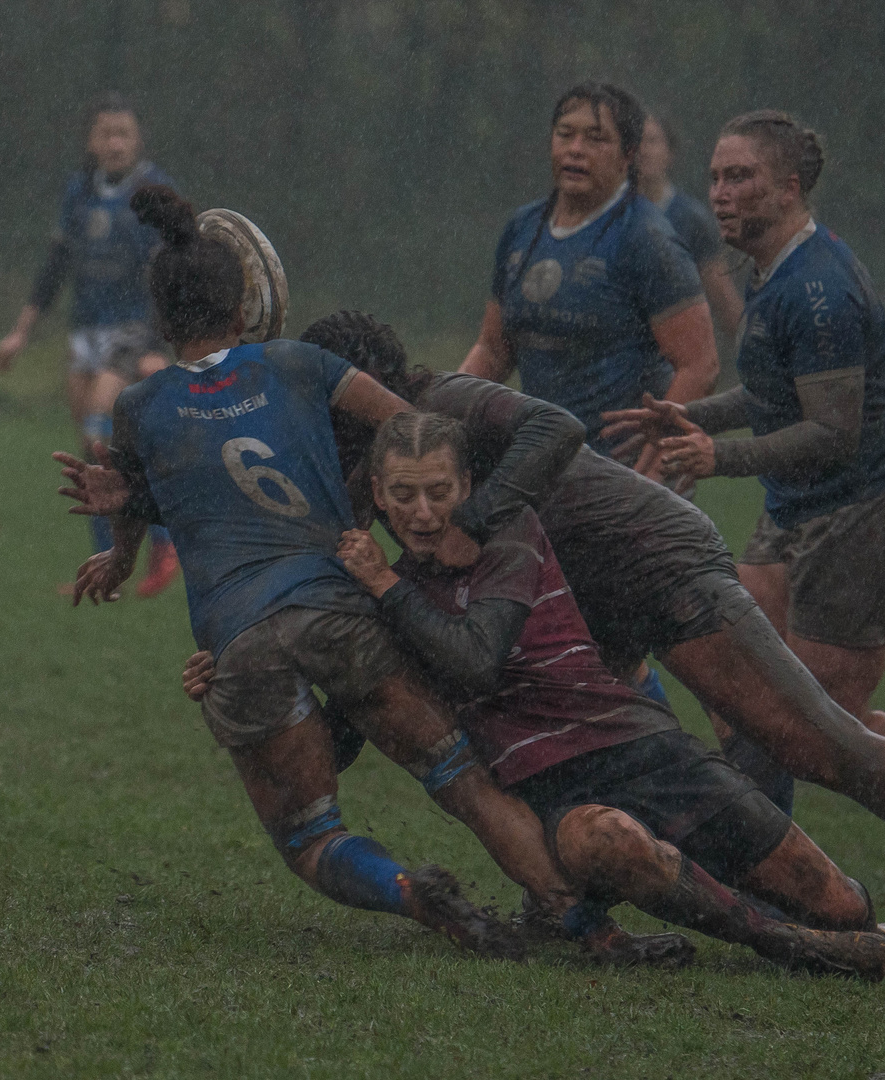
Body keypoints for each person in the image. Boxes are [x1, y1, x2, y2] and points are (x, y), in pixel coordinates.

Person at [195, 309, 885, 983]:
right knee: (602, 750)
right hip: (584, 597)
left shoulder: (440, 411)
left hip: (652, 561)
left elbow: (557, 430)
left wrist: (477, 517)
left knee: (816, 739)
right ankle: (605, 901)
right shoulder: (388, 470)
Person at [62, 186, 661, 963]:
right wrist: (439, 510)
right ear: (245, 304)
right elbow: (417, 428)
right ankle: (589, 928)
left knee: (310, 834)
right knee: (459, 775)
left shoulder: (138, 407)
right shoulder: (303, 362)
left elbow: (146, 498)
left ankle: (411, 892)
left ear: (161, 317)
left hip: (239, 640)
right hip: (339, 610)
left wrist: (117, 553)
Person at [331, 411, 885, 980]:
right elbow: (360, 712)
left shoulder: (507, 533)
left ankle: (870, 935)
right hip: (554, 793)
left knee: (840, 904)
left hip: (641, 748)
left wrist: (383, 584)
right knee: (599, 843)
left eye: (438, 491)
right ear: (379, 496)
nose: (421, 512)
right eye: (404, 494)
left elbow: (474, 658)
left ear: (466, 485)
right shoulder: (395, 597)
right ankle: (781, 942)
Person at [603, 110, 885, 862]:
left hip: (866, 516)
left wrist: (717, 459)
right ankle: (759, 862)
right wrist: (688, 416)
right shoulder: (772, 271)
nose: (719, 194)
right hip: (795, 510)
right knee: (744, 692)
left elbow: (831, 431)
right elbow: (774, 396)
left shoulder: (819, 290)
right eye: (716, 177)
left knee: (814, 728)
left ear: (789, 188)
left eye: (740, 177)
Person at [459, 82, 718, 462]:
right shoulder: (522, 228)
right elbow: (494, 349)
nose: (575, 150)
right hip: (542, 460)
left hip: (621, 470)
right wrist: (443, 414)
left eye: (596, 139)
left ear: (627, 155)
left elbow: (700, 365)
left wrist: (655, 461)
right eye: (565, 135)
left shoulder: (646, 238)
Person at [0, 93, 179, 596]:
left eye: (124, 133)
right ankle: (109, 566)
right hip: (86, 330)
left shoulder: (155, 190)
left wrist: (161, 343)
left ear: (137, 138)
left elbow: (175, 270)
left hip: (133, 329)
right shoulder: (78, 192)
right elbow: (54, 268)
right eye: (106, 133)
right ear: (91, 139)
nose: (115, 142)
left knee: (103, 430)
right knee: (91, 454)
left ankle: (164, 544)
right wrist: (21, 331)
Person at [635, 112, 743, 336]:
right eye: (636, 141)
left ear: (670, 153)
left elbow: (724, 300)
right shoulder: (609, 214)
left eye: (652, 141)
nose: (643, 150)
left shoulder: (691, 219)